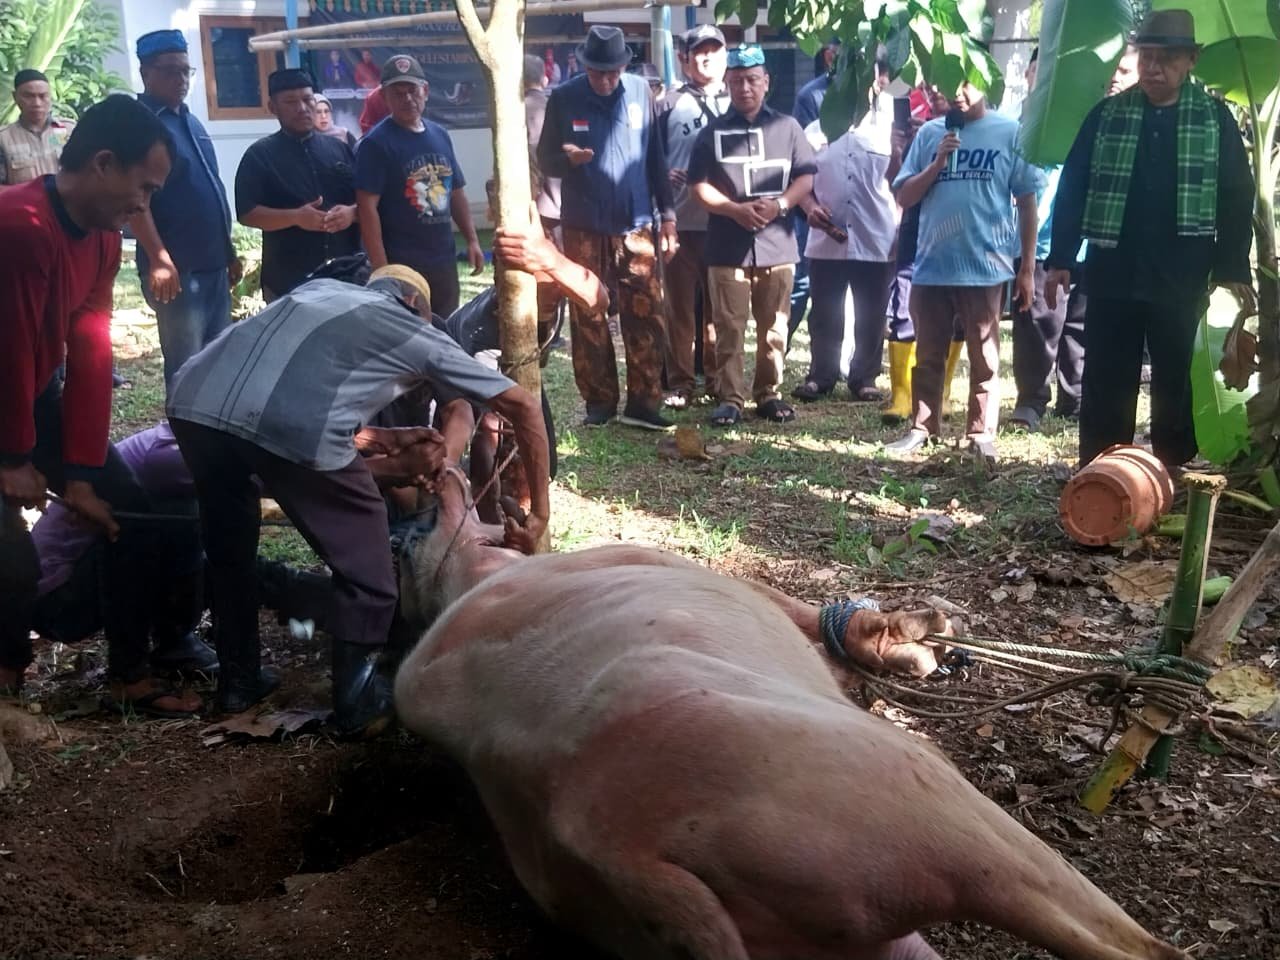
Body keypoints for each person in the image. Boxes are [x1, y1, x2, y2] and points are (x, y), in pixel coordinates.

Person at [166, 264, 551, 736]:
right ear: (417, 307)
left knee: (231, 547)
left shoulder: (323, 291)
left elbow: (282, 392)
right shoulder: (415, 328)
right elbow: (523, 406)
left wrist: (385, 440)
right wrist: (540, 516)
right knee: (367, 557)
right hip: (282, 428)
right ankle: (358, 700)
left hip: (193, 401)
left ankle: (239, 679)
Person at [0, 95, 192, 714]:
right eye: (144, 186)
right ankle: (7, 682)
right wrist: (13, 458)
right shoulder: (21, 227)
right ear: (104, 163)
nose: (145, 205)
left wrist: (81, 474)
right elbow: (11, 348)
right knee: (12, 562)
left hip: (28, 392)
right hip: (8, 390)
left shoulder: (105, 241)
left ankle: (129, 677)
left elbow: (88, 356)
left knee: (125, 510)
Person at [1045, 9, 1254, 469]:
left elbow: (1237, 194)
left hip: (1182, 275)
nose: (1155, 69)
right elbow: (1074, 185)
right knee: (1107, 376)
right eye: (1147, 58)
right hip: (1113, 271)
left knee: (1176, 380)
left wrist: (1231, 265)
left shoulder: (1214, 119)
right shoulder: (1107, 116)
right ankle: (1101, 470)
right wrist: (1060, 256)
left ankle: (1172, 471)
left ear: (1191, 60)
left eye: (1168, 59)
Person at [886, 75, 1040, 462]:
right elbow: (904, 194)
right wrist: (938, 162)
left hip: (986, 266)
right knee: (929, 354)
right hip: (933, 263)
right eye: (945, 82)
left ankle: (980, 433)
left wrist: (1027, 267)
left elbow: (1026, 201)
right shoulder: (931, 134)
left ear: (986, 81)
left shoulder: (1009, 132)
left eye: (964, 82)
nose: (953, 92)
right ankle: (923, 427)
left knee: (985, 355)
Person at [537, 25, 679, 430]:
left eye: (613, 72)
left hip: (636, 226)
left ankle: (644, 403)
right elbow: (546, 159)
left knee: (647, 312)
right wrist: (568, 160)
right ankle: (599, 401)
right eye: (598, 72)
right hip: (584, 225)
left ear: (624, 67)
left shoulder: (639, 93)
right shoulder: (564, 99)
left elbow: (656, 160)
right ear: (584, 67)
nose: (606, 80)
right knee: (588, 313)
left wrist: (667, 215)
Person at [28, 422, 218, 691]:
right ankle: (163, 652)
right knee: (183, 520)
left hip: (55, 590)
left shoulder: (177, 436)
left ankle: (168, 645)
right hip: (58, 603)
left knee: (183, 539)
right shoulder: (170, 456)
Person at [689, 44, 817, 427]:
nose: (745, 88)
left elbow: (805, 176)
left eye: (752, 80)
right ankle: (730, 397)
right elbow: (697, 185)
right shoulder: (711, 133)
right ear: (727, 83)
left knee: (775, 326)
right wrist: (733, 210)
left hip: (778, 245)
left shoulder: (788, 128)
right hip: (727, 247)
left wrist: (780, 205)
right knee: (729, 326)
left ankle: (768, 393)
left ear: (766, 82)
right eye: (737, 80)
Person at [130, 30, 240, 389]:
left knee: (218, 361)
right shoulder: (140, 125)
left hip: (213, 267)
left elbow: (211, 190)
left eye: (186, 71)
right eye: (171, 71)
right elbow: (136, 200)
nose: (181, 79)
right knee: (187, 369)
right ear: (146, 73)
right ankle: (185, 443)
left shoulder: (189, 121)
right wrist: (158, 259)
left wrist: (230, 251)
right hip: (177, 274)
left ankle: (213, 442)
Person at [793, 60, 900, 404]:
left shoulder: (888, 127)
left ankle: (864, 377)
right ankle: (821, 375)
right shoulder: (815, 131)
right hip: (828, 237)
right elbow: (800, 181)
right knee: (825, 310)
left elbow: (901, 180)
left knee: (872, 311)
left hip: (876, 234)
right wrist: (810, 208)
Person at [356, 54, 484, 318]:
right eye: (398, 93)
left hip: (443, 260)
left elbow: (456, 191)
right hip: (402, 264)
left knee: (446, 329)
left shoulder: (440, 135)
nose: (407, 99)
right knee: (408, 338)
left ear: (425, 91)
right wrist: (383, 271)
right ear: (384, 97)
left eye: (413, 91)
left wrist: (472, 239)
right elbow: (367, 209)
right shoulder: (376, 144)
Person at [1008, 47, 1086, 431]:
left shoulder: (1083, 117)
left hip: (1083, 241)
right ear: (1029, 73)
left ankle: (1075, 398)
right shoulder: (1018, 122)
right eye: (1043, 69)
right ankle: (1032, 399)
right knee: (1038, 320)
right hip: (1038, 242)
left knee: (1079, 325)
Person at [235, 70, 360, 302]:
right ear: (273, 107)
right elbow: (247, 213)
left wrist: (351, 214)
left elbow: (366, 199)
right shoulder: (259, 156)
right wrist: (295, 217)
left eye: (307, 99)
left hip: (348, 276)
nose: (302, 108)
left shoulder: (340, 148)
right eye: (291, 102)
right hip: (289, 282)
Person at [658, 24, 730, 409]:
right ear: (685, 60)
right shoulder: (668, 103)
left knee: (721, 307)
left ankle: (718, 378)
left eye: (714, 50)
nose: (706, 57)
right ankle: (681, 381)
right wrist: (665, 173)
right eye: (698, 52)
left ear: (725, 54)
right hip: (681, 223)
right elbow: (652, 158)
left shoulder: (738, 100)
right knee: (679, 307)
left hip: (724, 223)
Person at [786, 39, 840, 345]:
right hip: (813, 209)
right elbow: (803, 160)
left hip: (860, 210)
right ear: (829, 56)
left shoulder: (874, 95)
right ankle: (777, 355)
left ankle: (842, 362)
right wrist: (809, 206)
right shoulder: (812, 96)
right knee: (802, 283)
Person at [0, 69, 75, 189]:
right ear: (15, 97)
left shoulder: (69, 130)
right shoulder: (3, 138)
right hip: (24, 206)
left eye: (43, 96)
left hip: (66, 206)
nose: (37, 103)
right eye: (28, 96)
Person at [523, 53, 561, 231]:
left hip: (531, 202)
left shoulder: (515, 112)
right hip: (562, 202)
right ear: (545, 80)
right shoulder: (559, 108)